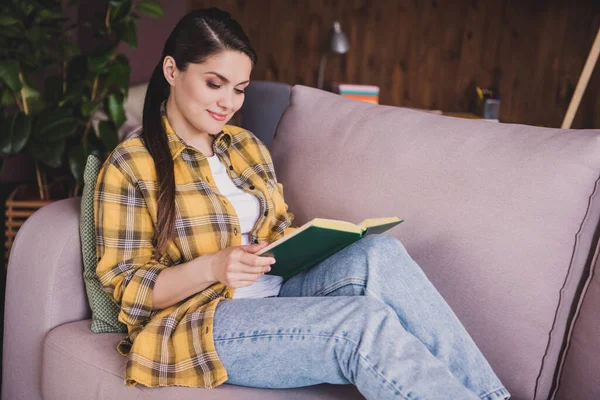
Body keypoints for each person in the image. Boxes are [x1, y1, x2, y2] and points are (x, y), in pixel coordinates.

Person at [94, 7, 511, 400]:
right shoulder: (132, 164)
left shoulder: (245, 146)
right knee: (360, 324)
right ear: (172, 70)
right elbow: (128, 287)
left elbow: (276, 230)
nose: (228, 102)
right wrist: (214, 266)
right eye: (213, 83)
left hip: (282, 291)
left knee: (379, 253)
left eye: (239, 89)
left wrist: (307, 242)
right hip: (204, 322)